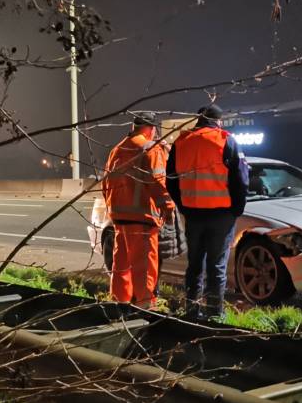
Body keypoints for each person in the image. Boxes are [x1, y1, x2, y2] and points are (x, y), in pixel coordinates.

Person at [167, 104, 249, 320]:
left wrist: (184, 205)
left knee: (194, 265)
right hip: (221, 215)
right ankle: (215, 314)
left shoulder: (181, 142)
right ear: (218, 121)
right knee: (217, 266)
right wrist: (236, 210)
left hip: (193, 214)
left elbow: (171, 181)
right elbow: (241, 180)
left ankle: (192, 310)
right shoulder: (225, 140)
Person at [102, 112, 174, 307]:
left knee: (121, 267)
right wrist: (167, 207)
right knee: (143, 268)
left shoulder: (117, 149)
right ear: (151, 129)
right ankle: (145, 307)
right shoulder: (149, 148)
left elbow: (105, 183)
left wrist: (112, 207)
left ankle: (119, 305)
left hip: (119, 217)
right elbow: (158, 181)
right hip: (142, 218)